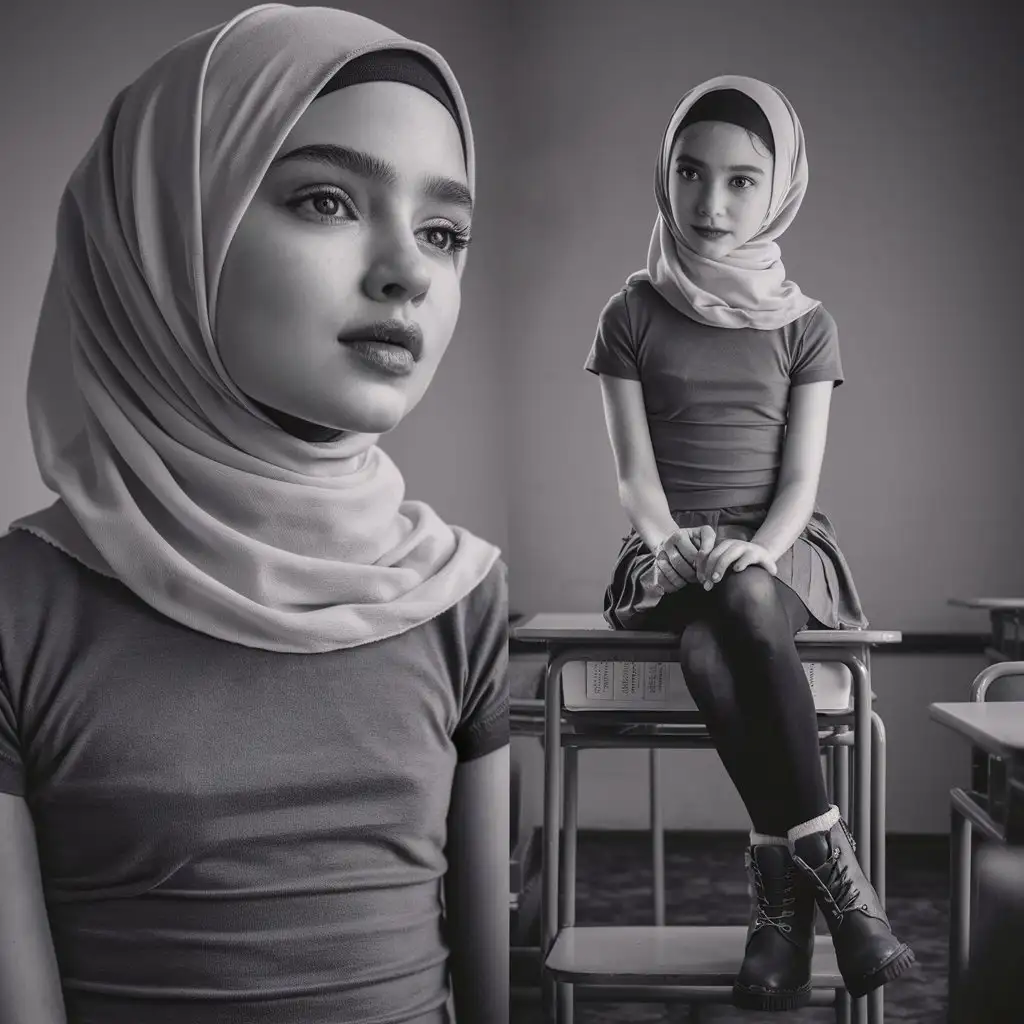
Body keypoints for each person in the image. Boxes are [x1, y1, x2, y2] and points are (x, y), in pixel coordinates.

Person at [0, 5, 508, 1024]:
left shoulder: (457, 588)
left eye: (444, 231)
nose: (408, 269)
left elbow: (490, 983)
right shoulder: (22, 607)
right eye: (325, 200)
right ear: (163, 230)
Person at [585, 76, 914, 1010]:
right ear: (667, 176)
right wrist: (671, 546)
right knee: (704, 626)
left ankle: (782, 904)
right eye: (692, 174)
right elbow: (635, 481)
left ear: (781, 191)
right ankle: (832, 877)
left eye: (740, 180)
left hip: (781, 548)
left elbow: (800, 483)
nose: (711, 202)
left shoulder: (807, 326)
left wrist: (759, 550)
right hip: (670, 551)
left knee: (725, 622)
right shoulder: (630, 316)